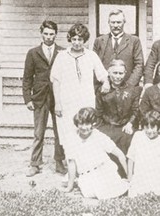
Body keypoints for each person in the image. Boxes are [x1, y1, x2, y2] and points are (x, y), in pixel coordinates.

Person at [50, 23, 110, 157]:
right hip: (67, 102)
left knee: (86, 130)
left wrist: (106, 82)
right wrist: (57, 103)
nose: (77, 43)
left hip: (85, 101)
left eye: (80, 39)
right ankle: (71, 166)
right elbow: (56, 80)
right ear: (70, 39)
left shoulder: (91, 55)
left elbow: (102, 74)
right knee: (68, 132)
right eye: (74, 39)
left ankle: (85, 164)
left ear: (85, 40)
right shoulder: (62, 56)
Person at [22, 20, 66, 177]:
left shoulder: (62, 52)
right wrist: (28, 98)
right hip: (40, 97)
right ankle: (35, 164)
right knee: (38, 132)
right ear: (41, 34)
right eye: (46, 34)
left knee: (59, 131)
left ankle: (60, 162)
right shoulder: (33, 53)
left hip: (58, 97)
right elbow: (27, 78)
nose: (48, 37)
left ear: (56, 34)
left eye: (51, 34)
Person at [63, 107, 129, 199]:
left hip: (104, 171)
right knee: (91, 193)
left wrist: (129, 177)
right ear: (77, 123)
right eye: (81, 124)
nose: (84, 127)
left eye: (87, 124)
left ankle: (123, 182)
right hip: (86, 175)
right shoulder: (71, 139)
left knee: (112, 191)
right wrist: (69, 186)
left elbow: (120, 155)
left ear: (93, 124)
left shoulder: (99, 136)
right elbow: (71, 164)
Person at [96, 59, 142, 177]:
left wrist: (130, 123)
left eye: (120, 73)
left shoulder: (132, 89)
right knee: (103, 140)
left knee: (132, 139)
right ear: (109, 73)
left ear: (125, 73)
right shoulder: (102, 90)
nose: (118, 76)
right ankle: (108, 175)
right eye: (115, 73)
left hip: (125, 126)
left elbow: (136, 110)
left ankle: (128, 174)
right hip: (108, 126)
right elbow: (99, 112)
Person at [93, 9, 144, 92]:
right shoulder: (99, 41)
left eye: (119, 22)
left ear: (124, 22)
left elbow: (139, 65)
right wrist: (103, 84)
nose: (116, 25)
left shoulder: (134, 41)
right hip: (105, 88)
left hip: (128, 89)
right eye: (113, 22)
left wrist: (129, 86)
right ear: (108, 23)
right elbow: (94, 65)